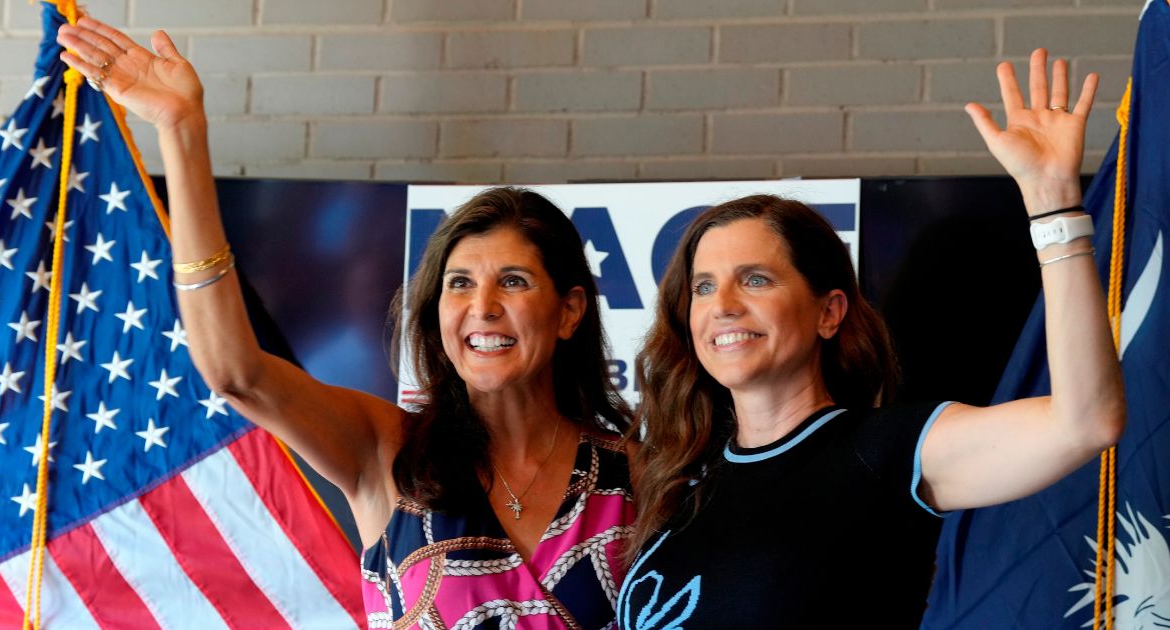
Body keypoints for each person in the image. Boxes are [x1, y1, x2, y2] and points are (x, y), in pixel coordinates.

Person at [56, 18, 636, 629]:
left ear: (570, 310)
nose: (482, 306)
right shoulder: (387, 449)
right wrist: (181, 131)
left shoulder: (641, 476)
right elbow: (237, 374)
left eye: (513, 282)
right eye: (459, 283)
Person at [617, 49, 1125, 628]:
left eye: (755, 279)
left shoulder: (887, 450)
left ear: (829, 312)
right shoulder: (686, 478)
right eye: (703, 287)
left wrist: (1053, 200)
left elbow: (1085, 422)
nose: (723, 306)